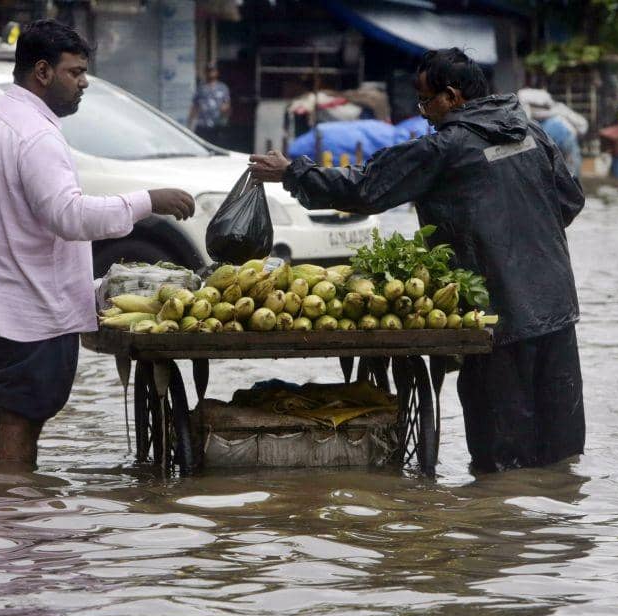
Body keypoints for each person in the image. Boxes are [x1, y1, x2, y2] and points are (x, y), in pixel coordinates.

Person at [249, 48, 586, 473]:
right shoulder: (531, 132)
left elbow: (368, 188)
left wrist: (294, 173)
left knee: (502, 462)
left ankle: (502, 525)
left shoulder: (447, 147)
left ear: (451, 97)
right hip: (557, 308)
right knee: (560, 453)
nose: (424, 113)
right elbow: (570, 201)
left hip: (498, 316)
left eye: (426, 101)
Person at [0, 19, 195, 470]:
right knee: (21, 421)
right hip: (33, 311)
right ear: (42, 71)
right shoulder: (37, 135)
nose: (83, 84)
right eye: (75, 72)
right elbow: (69, 216)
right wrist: (148, 200)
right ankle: (11, 517)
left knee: (7, 418)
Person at [188, 61, 231, 147]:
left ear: (216, 72)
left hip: (217, 125)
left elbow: (227, 104)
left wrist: (225, 110)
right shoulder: (201, 88)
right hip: (202, 125)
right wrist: (190, 123)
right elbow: (195, 106)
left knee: (217, 148)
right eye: (208, 71)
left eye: (212, 70)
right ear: (205, 73)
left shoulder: (222, 88)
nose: (210, 73)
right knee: (201, 147)